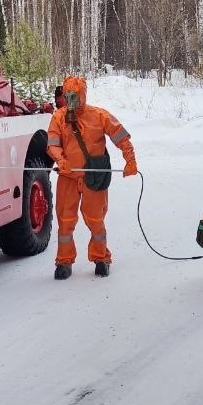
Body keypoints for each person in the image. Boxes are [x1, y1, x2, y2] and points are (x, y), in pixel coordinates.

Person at [46, 76, 137, 280]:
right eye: (68, 96)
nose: (71, 100)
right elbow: (52, 143)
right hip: (68, 177)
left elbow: (121, 137)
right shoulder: (59, 117)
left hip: (93, 177)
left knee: (96, 220)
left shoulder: (99, 115)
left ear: (83, 95)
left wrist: (130, 160)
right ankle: (64, 261)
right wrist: (60, 159)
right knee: (65, 221)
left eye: (75, 96)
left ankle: (101, 258)